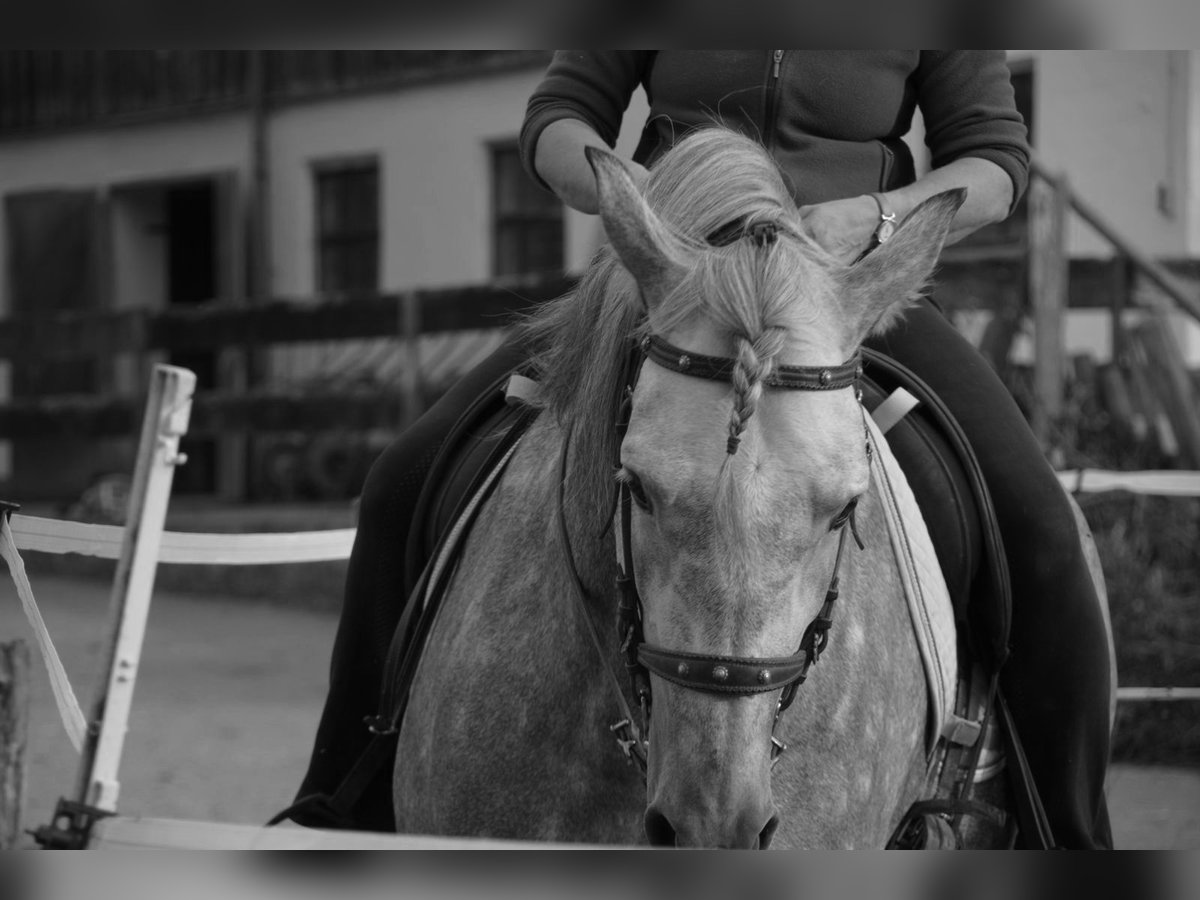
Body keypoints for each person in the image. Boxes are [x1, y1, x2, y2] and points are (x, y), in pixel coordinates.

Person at [295, 51, 1112, 849]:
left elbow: (994, 162)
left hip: (838, 289)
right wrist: (646, 207)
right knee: (402, 480)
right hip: (667, 276)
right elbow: (557, 120)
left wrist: (876, 216)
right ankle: (346, 805)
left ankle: (1068, 835)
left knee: (1042, 532)